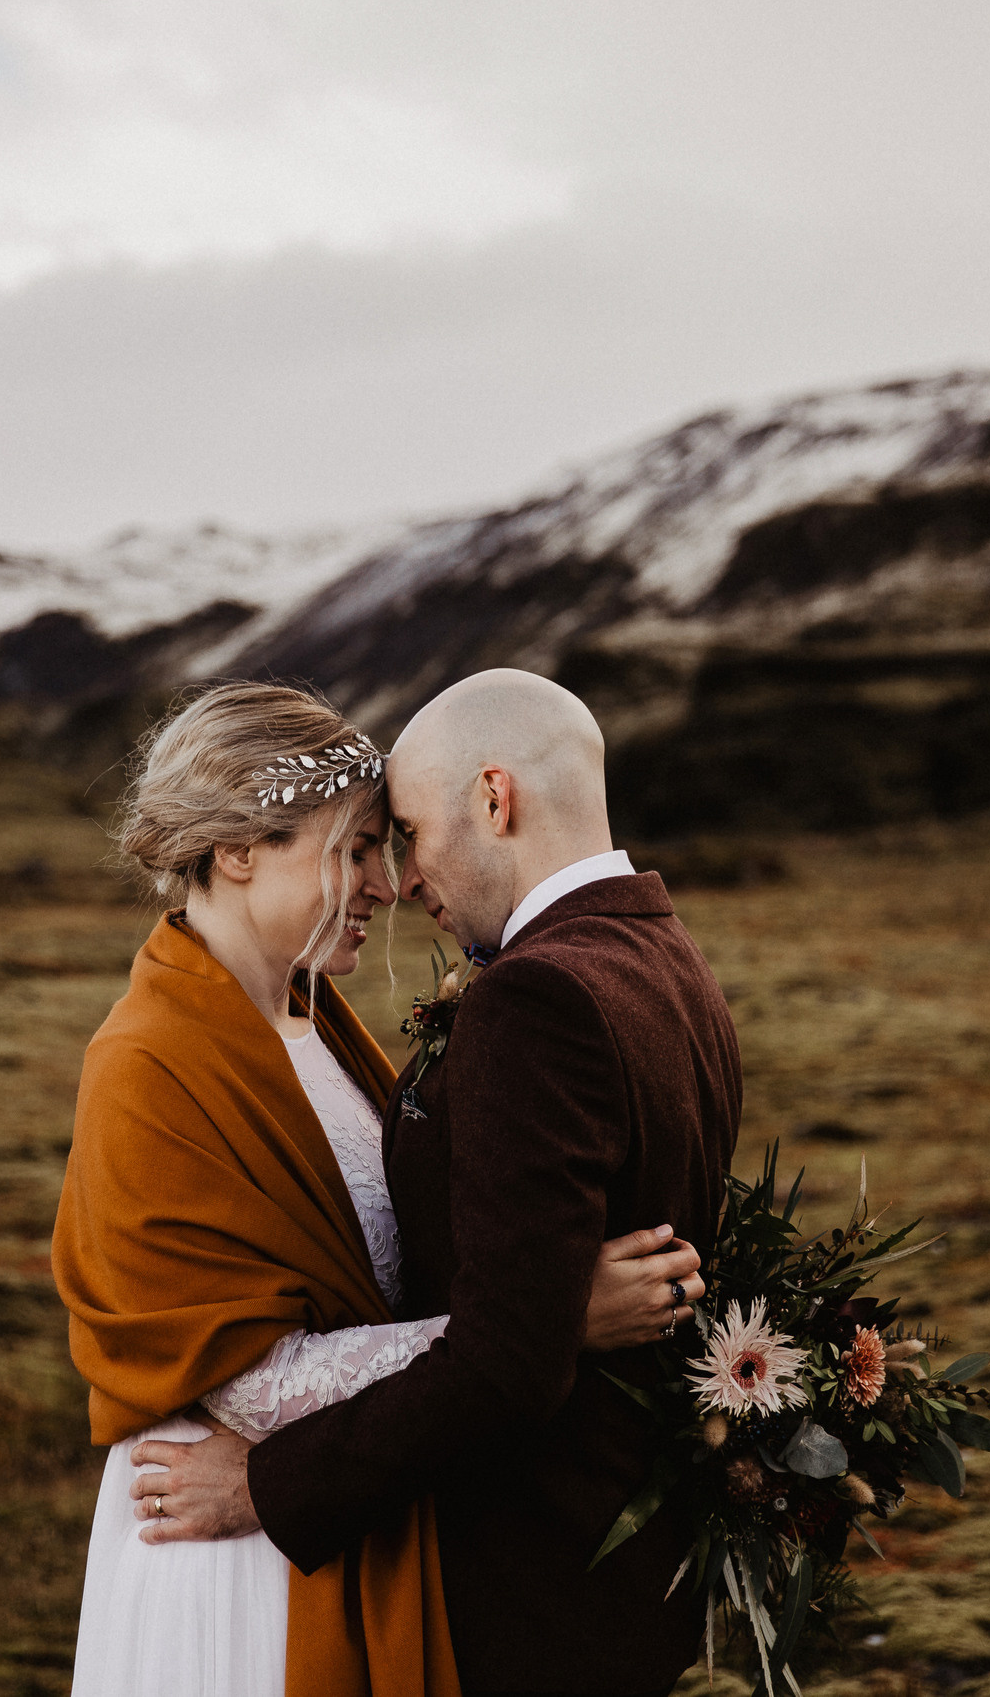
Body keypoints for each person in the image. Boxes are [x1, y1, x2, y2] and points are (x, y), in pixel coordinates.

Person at [53, 680, 709, 1697]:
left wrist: (516, 1324)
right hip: (221, 1520)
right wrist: (548, 1320)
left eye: (387, 843)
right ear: (235, 850)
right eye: (355, 847)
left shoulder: (319, 1020)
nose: (384, 882)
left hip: (342, 1501)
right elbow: (240, 1381)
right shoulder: (145, 1061)